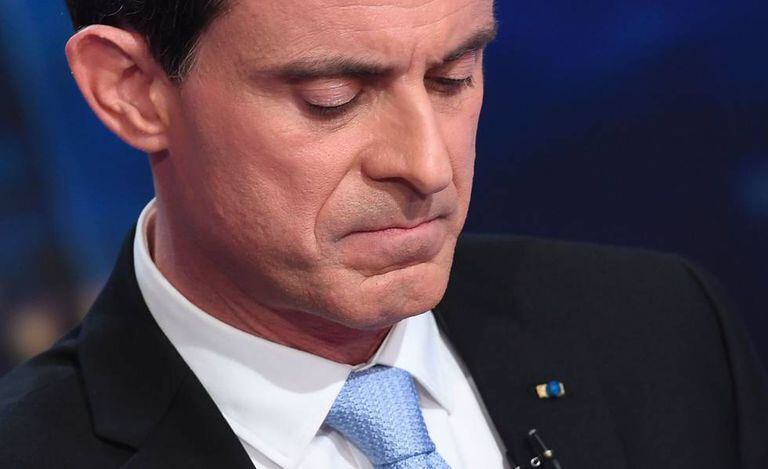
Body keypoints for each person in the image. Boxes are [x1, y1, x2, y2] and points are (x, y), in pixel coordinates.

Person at [1, 0, 766, 467]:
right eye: (333, 98)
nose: (428, 165)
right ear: (132, 91)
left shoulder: (665, 330)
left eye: (453, 77)